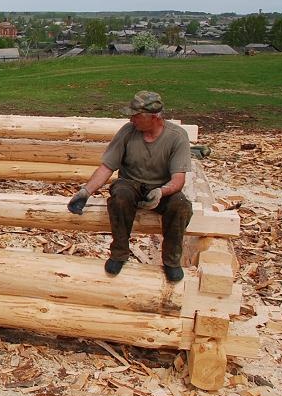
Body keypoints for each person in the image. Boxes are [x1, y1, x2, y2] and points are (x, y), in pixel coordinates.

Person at [67, 91, 193, 282]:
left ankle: (171, 260)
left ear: (154, 116)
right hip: (131, 184)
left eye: (136, 115)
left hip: (162, 187)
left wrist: (161, 192)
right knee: (120, 196)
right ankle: (119, 253)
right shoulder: (127, 132)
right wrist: (86, 192)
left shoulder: (177, 137)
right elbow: (107, 167)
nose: (131, 118)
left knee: (181, 206)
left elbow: (178, 179)